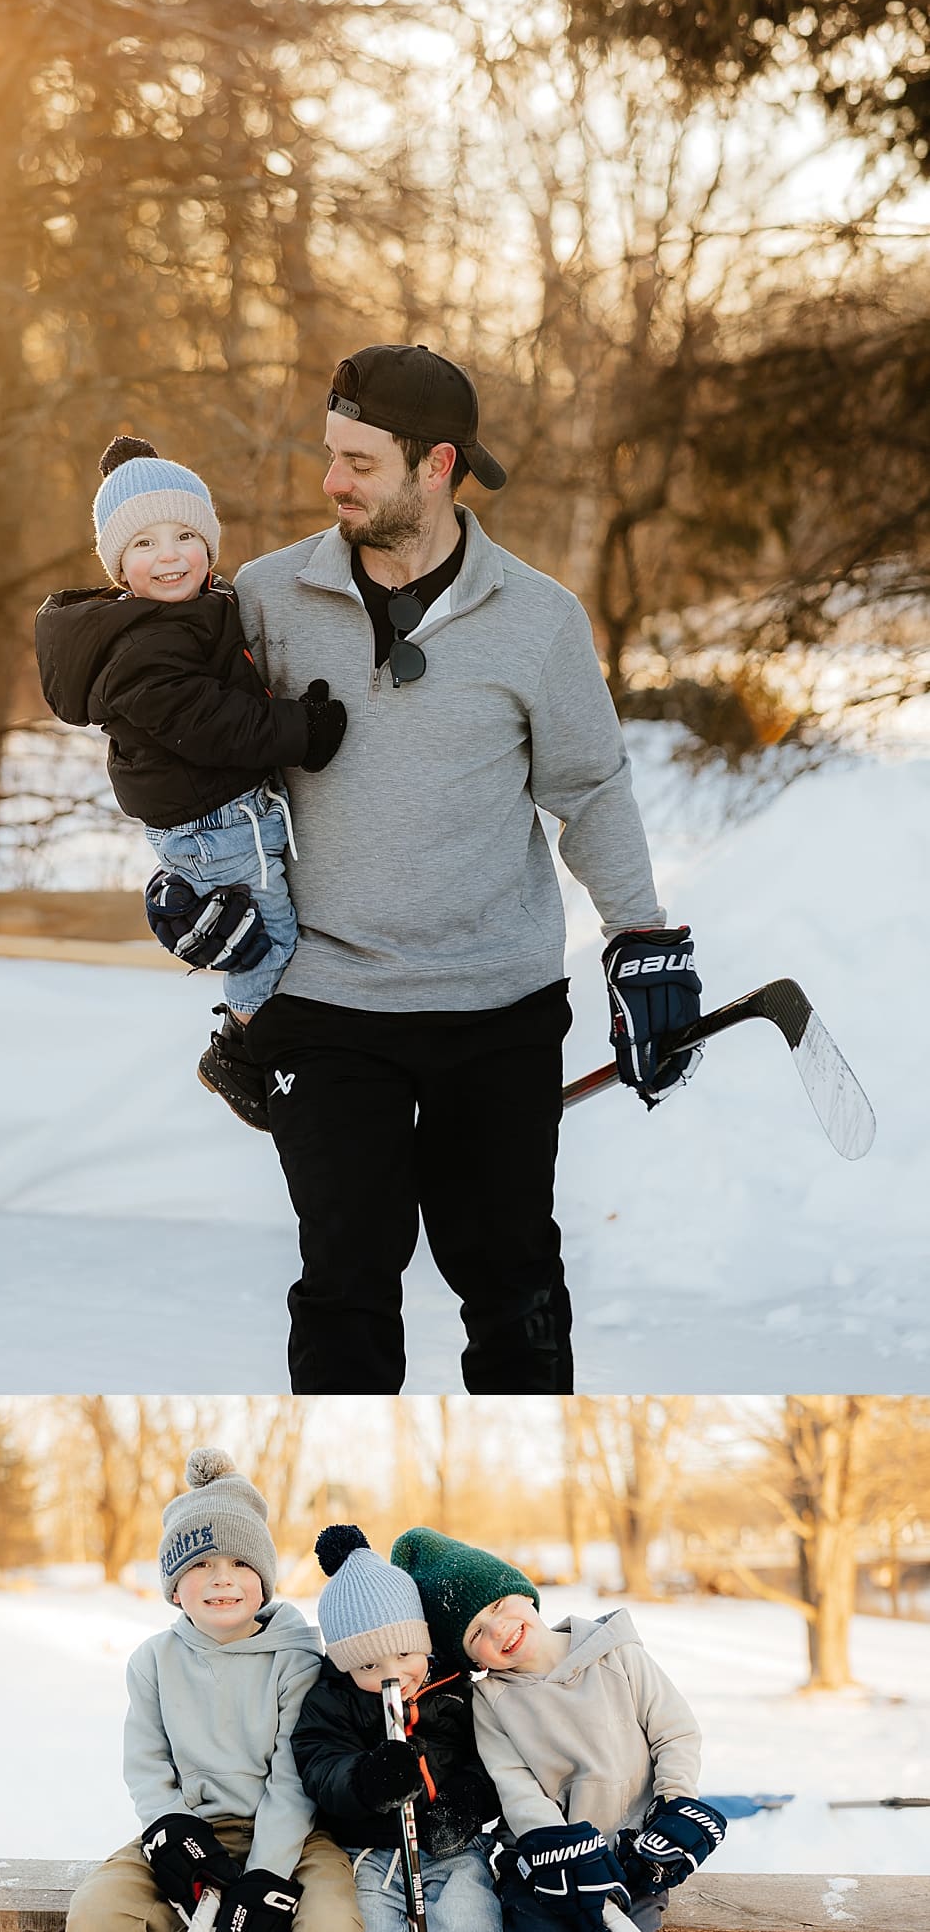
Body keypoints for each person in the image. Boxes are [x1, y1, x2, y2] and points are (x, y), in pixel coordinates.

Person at [234, 343, 703, 1396]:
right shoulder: (267, 597)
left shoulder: (538, 619)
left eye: (359, 460)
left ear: (436, 465)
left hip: (498, 1007)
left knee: (510, 1278)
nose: (332, 480)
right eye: (330, 455)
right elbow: (192, 762)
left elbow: (590, 787)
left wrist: (640, 940)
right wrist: (187, 892)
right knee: (346, 1275)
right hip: (327, 1000)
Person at [35, 436, 347, 1130]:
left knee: (273, 931)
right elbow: (211, 723)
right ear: (119, 566)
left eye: (185, 535)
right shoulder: (144, 644)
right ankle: (242, 1052)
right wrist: (304, 730)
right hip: (216, 821)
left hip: (218, 813)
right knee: (269, 942)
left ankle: (261, 1040)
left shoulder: (181, 612)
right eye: (144, 544)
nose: (170, 555)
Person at [64, 1447, 362, 1932]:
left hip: (293, 1838)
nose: (222, 1578)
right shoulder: (153, 1661)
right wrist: (169, 1831)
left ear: (263, 1577)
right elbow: (146, 1761)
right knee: (97, 1914)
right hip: (190, 1831)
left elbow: (292, 1776)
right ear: (175, 1587)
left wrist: (267, 1875)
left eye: (238, 1562)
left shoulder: (298, 1658)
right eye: (201, 1564)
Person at [392, 1526, 729, 1932]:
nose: (501, 1628)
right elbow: (514, 1783)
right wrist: (556, 1844)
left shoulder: (617, 1654)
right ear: (467, 1655)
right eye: (478, 1630)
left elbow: (675, 1733)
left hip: (631, 1852)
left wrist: (675, 1804)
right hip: (547, 1862)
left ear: (527, 1594)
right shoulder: (492, 1701)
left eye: (501, 1604)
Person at [292, 1527, 503, 1932]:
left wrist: (469, 1801)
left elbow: (494, 1758)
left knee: (468, 1921)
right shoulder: (333, 1701)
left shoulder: (456, 1689)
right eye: (368, 1665)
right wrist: (365, 1781)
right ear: (344, 1665)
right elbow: (319, 1764)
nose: (392, 1676)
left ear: (426, 1640)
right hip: (371, 1845)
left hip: (452, 1843)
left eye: (405, 1654)